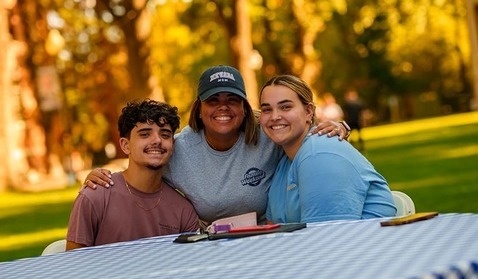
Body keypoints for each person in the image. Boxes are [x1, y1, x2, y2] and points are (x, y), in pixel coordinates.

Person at [84, 65, 350, 227]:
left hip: (269, 242)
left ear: (245, 108)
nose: (223, 107)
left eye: (232, 99)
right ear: (199, 109)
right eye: (213, 100)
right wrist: (102, 176)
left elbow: (300, 131)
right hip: (214, 250)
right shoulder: (180, 149)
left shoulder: (268, 133)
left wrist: (340, 127)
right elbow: (144, 159)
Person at [259, 75, 396, 224]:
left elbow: (327, 238)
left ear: (308, 111)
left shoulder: (319, 154)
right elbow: (273, 228)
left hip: (365, 244)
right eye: (266, 109)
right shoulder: (284, 163)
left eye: (285, 107)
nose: (274, 116)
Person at [66, 99, 199, 250]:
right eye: (145, 134)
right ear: (125, 145)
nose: (157, 140)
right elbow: (73, 265)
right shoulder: (95, 196)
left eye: (165, 134)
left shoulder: (183, 210)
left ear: (172, 146)